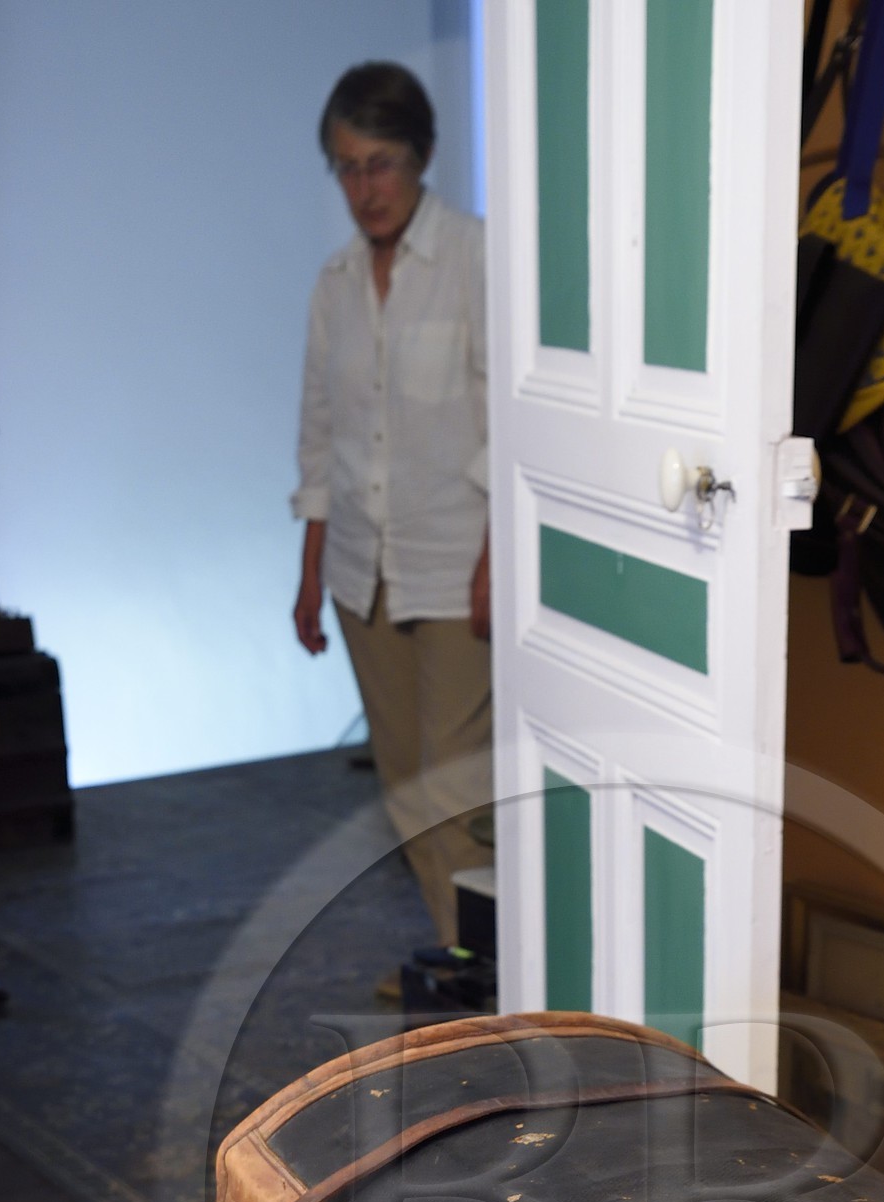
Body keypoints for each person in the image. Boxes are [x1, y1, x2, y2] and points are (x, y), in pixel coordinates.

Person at [292, 62, 492, 946]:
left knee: (457, 784)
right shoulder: (335, 283)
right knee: (404, 786)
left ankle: (491, 975)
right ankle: (455, 957)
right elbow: (320, 432)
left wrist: (498, 562)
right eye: (346, 167)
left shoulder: (475, 259)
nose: (363, 188)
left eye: (379, 164)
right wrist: (310, 575)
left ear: (422, 157)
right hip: (359, 572)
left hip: (455, 566)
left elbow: (506, 425)